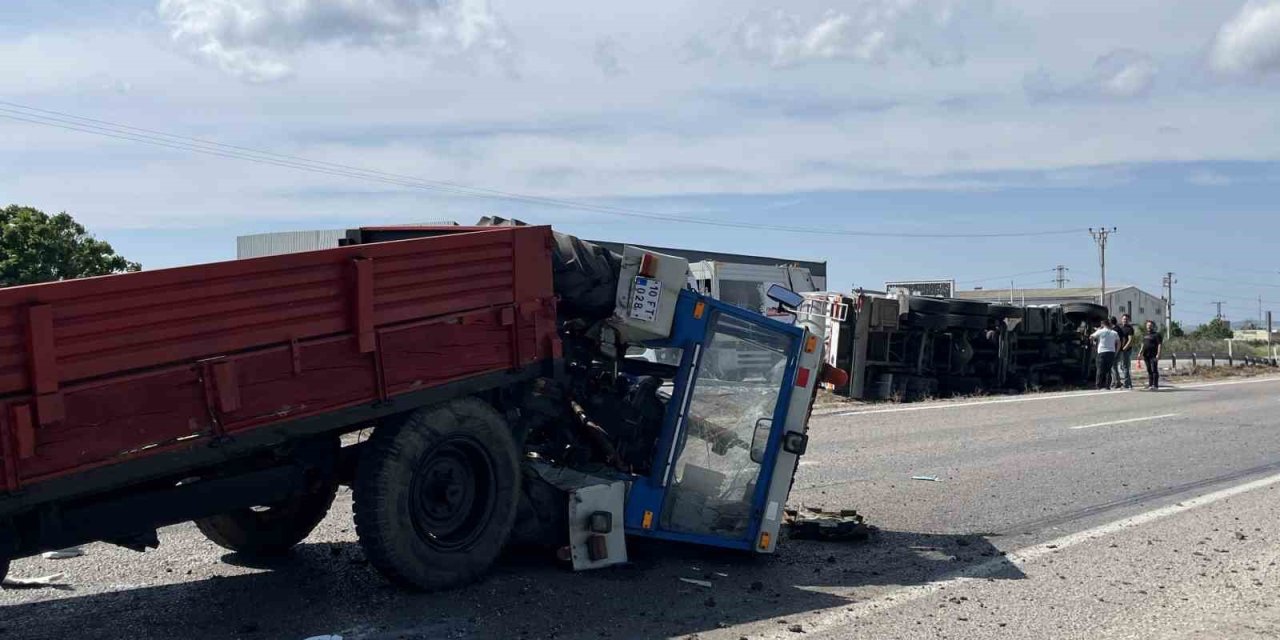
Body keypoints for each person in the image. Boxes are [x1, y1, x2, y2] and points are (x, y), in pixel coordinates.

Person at [1090, 319, 1119, 390]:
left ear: (1102, 324)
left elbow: (1091, 337)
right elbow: (1119, 342)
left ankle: (1098, 385)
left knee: (1100, 369)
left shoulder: (1100, 331)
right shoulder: (1114, 332)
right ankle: (1107, 386)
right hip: (1111, 352)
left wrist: (1093, 344)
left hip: (1102, 352)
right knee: (1108, 370)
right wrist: (1116, 351)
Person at [1140, 319, 1163, 390]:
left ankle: (1155, 385)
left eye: (1150, 325)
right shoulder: (1145, 335)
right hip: (1146, 355)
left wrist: (1158, 354)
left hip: (1153, 355)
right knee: (1149, 370)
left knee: (1154, 370)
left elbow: (1159, 344)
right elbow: (1143, 345)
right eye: (1148, 325)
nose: (1149, 327)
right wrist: (1140, 353)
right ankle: (1150, 385)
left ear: (1153, 326)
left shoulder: (1157, 335)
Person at [1115, 314, 1135, 389]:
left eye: (1126, 319)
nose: (1125, 320)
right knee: (1122, 367)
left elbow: (1130, 340)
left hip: (1126, 350)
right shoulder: (1121, 328)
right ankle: (1129, 383)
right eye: (1123, 319)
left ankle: (1126, 384)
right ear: (1121, 319)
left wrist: (1124, 348)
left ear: (1129, 320)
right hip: (1121, 349)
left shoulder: (1129, 329)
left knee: (1125, 367)